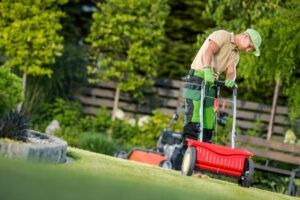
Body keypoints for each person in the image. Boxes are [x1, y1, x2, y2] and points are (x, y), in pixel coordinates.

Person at [182, 28, 262, 145]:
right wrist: (207, 70)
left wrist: (230, 79)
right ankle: (186, 153)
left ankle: (203, 153)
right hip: (197, 77)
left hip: (212, 83)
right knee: (194, 116)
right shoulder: (222, 35)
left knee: (208, 121)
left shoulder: (235, 55)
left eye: (251, 49)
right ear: (245, 37)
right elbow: (208, 52)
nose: (249, 50)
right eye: (250, 46)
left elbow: (231, 71)